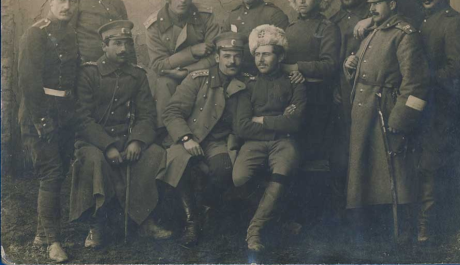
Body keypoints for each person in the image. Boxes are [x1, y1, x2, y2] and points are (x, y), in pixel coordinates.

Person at [69, 20, 173, 249]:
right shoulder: (89, 73)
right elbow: (83, 119)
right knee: (94, 160)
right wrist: (107, 145)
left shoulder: (137, 75)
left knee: (154, 153)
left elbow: (147, 115)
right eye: (117, 44)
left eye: (126, 43)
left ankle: (143, 219)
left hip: (127, 139)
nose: (123, 49)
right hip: (94, 141)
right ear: (104, 46)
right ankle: (96, 224)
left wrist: (137, 141)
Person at [344, 0, 430, 242]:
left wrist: (401, 118)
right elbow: (365, 67)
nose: (371, 8)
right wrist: (351, 66)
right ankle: (369, 232)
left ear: (392, 5)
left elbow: (417, 83)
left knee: (394, 174)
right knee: (364, 171)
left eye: (377, 3)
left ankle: (401, 233)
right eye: (370, 4)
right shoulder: (374, 31)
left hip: (385, 111)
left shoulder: (404, 34)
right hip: (364, 111)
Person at [162, 32, 249, 247]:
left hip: (220, 142)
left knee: (223, 170)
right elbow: (172, 111)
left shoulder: (247, 82)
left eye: (237, 56)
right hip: (192, 136)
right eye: (227, 56)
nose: (232, 61)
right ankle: (192, 222)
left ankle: (206, 210)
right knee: (180, 164)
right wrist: (186, 137)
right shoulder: (198, 78)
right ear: (218, 57)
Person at [18, 0, 81, 263]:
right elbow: (29, 82)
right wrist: (42, 121)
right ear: (51, 2)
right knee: (51, 174)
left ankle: (41, 234)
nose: (67, 6)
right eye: (62, 1)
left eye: (72, 1)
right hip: (39, 112)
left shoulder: (70, 33)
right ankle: (53, 243)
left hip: (64, 112)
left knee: (59, 172)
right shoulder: (36, 34)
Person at [233, 24, 307, 252]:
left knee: (281, 172)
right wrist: (278, 121)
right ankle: (277, 217)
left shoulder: (295, 83)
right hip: (254, 143)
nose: (260, 60)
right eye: (257, 54)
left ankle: (254, 231)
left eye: (266, 54)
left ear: (280, 56)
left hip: (283, 143)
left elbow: (295, 123)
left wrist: (261, 120)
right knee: (239, 178)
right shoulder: (248, 85)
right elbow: (242, 128)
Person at [416, 0, 460, 245]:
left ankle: (429, 228)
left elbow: (457, 70)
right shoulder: (425, 22)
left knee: (432, 164)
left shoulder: (454, 23)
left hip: (442, 106)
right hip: (424, 105)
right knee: (422, 162)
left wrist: (425, 81)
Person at [143, 0, 220, 134]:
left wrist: (186, 71)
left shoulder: (205, 17)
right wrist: (192, 51)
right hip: (170, 79)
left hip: (201, 75)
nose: (183, 0)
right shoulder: (154, 25)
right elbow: (157, 65)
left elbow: (216, 57)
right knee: (163, 83)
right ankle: (166, 134)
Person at [281, 0, 341, 161]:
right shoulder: (289, 28)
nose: (302, 1)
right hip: (290, 95)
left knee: (313, 152)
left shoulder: (327, 27)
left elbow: (330, 65)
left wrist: (297, 68)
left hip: (316, 97)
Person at [329, 0, 371, 209]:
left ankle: (366, 207)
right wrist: (336, 86)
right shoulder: (334, 20)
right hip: (342, 93)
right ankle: (342, 207)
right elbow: (333, 60)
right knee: (342, 150)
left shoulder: (374, 14)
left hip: (368, 90)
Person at [223, 0, 289, 75]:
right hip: (237, 76)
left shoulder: (273, 15)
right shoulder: (232, 16)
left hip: (264, 77)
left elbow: (284, 53)